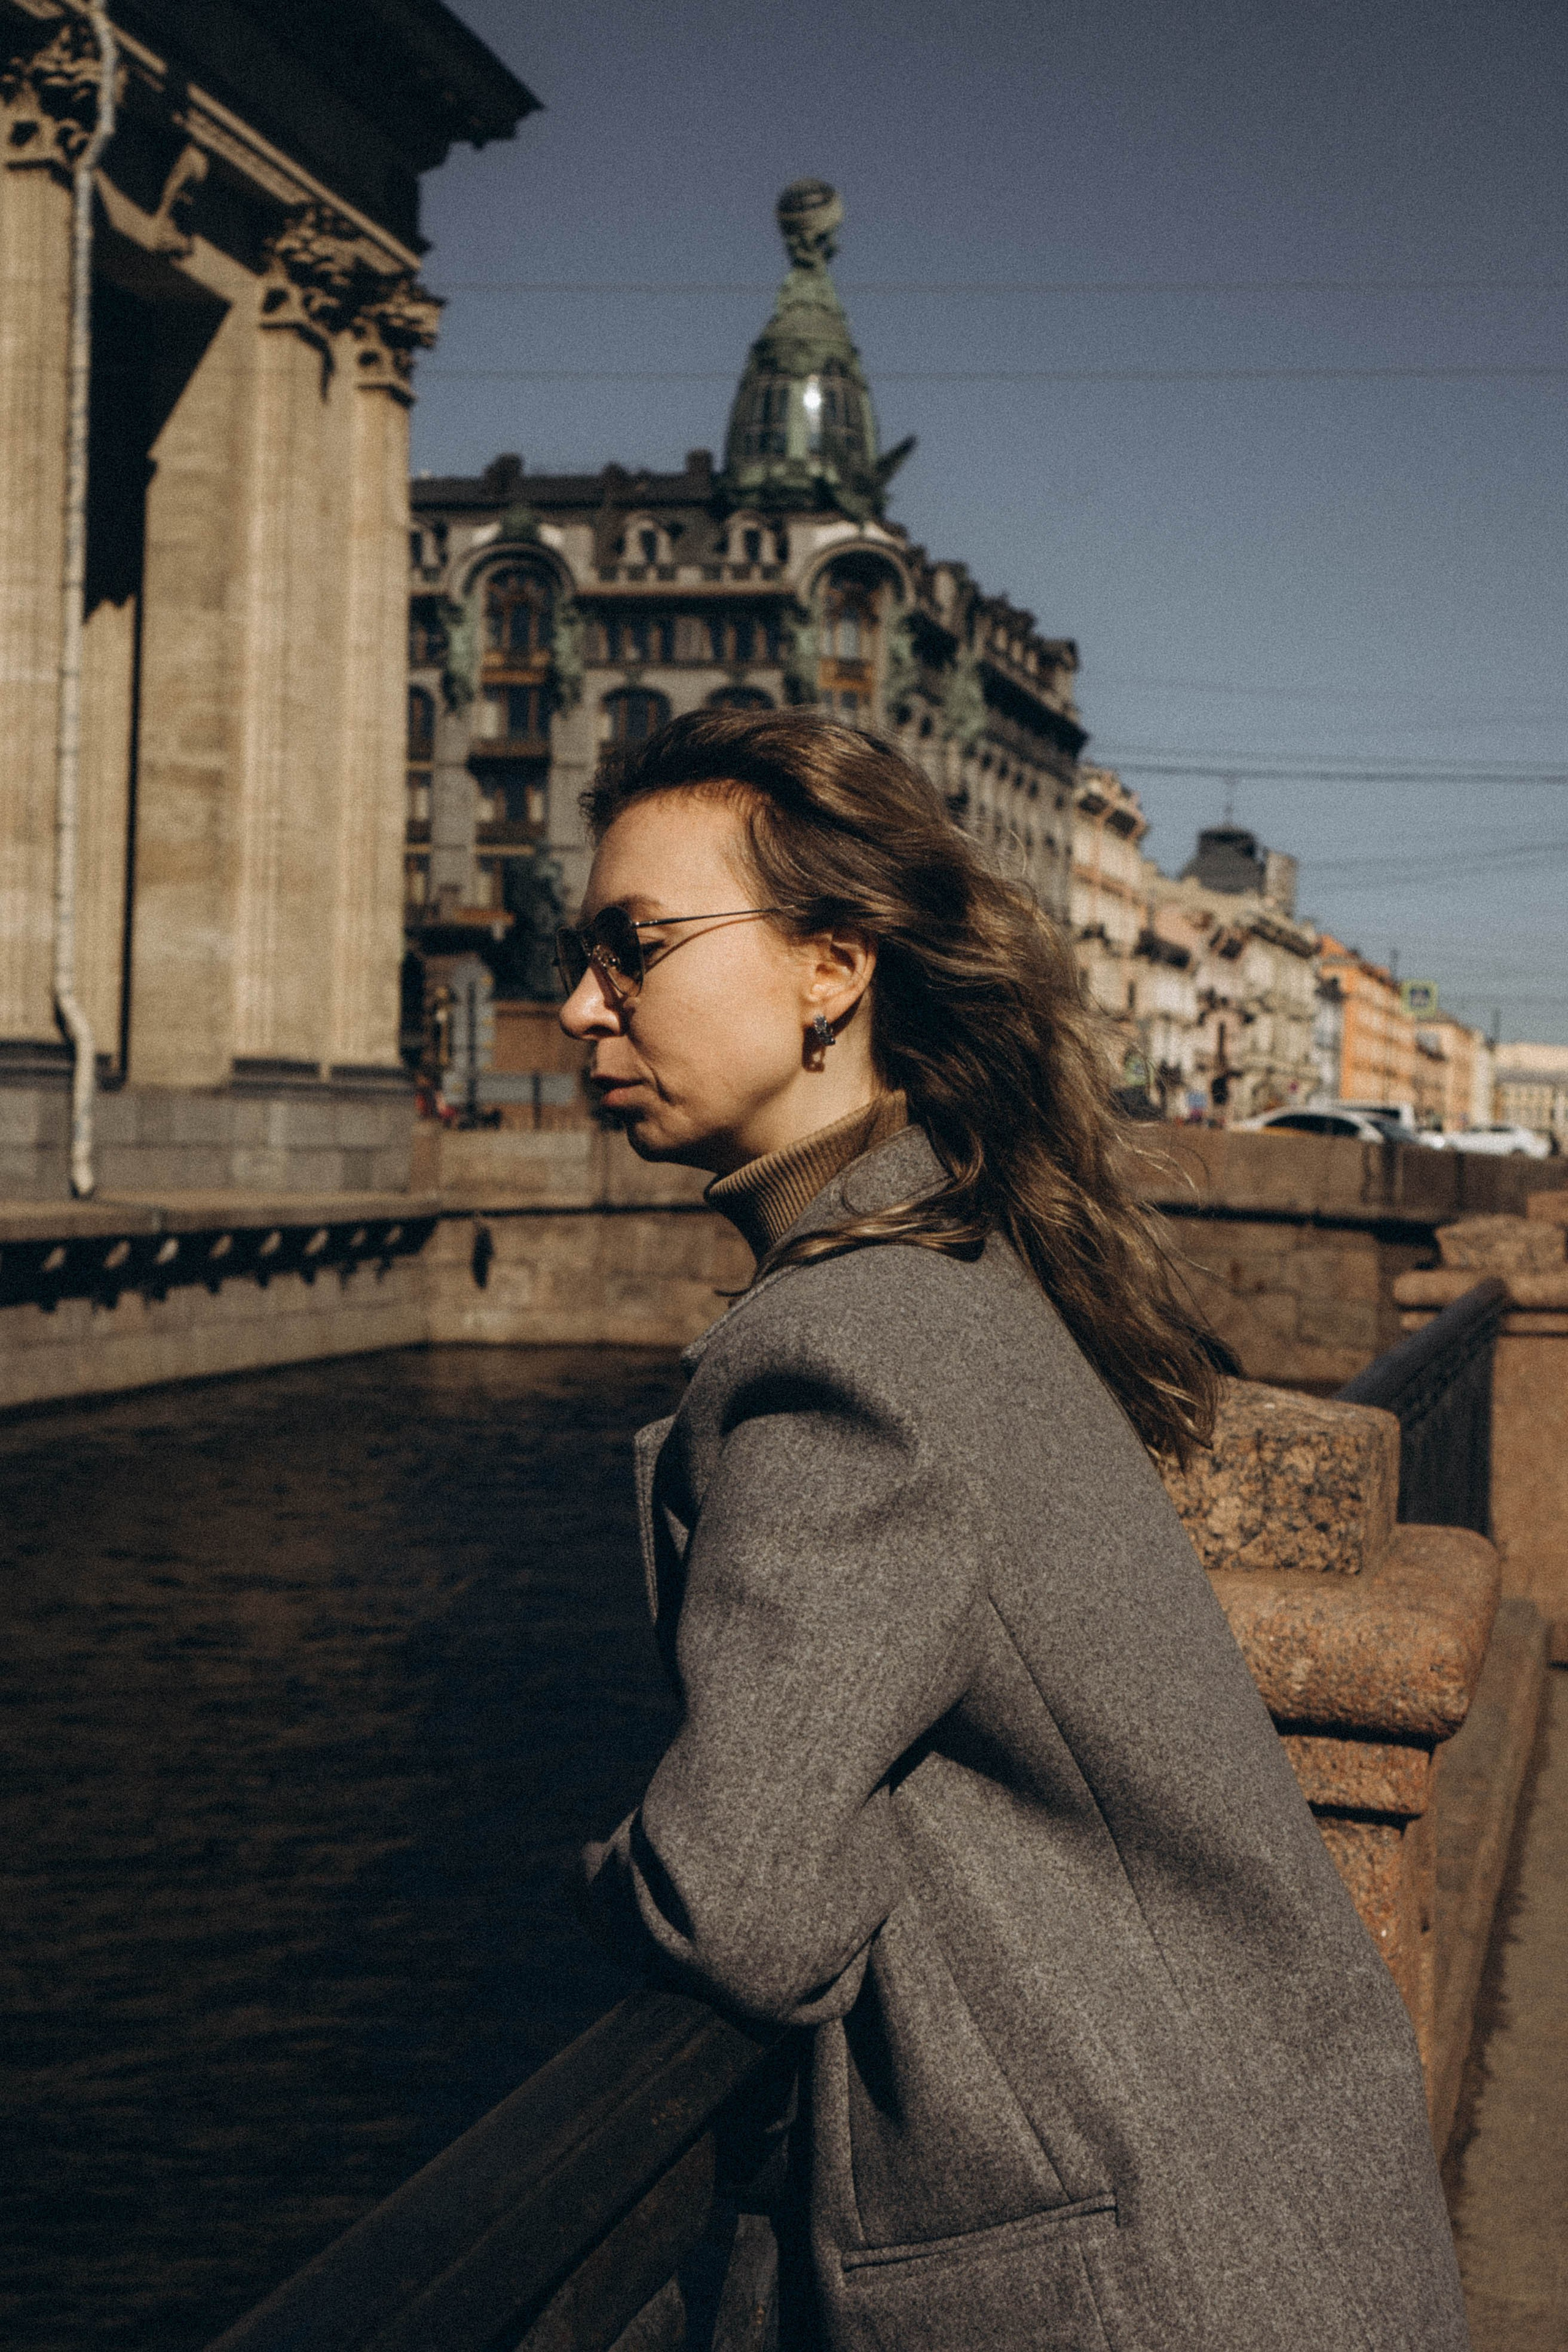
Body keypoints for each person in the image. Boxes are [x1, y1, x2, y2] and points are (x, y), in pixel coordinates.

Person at [558, 709, 1468, 2351]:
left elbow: (741, 1900)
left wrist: (609, 1860)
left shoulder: (844, 1345)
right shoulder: (968, 1262)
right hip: (1260, 2205)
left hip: (1118, 2286)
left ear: (832, 967)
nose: (580, 1007)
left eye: (638, 948)